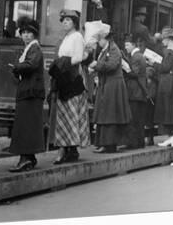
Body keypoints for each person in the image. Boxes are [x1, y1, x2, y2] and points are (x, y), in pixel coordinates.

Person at [48, 9, 90, 164]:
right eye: (63, 20)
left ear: (74, 23)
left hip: (73, 79)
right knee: (64, 115)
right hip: (64, 77)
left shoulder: (77, 36)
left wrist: (62, 64)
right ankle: (69, 150)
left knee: (70, 114)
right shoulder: (66, 37)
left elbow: (78, 57)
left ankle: (66, 149)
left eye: (68, 20)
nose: (65, 22)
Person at [8, 18, 45, 172]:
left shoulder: (34, 48)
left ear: (34, 34)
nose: (26, 35)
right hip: (29, 91)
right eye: (23, 32)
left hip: (31, 92)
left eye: (29, 32)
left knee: (25, 126)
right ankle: (29, 158)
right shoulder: (29, 49)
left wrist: (17, 67)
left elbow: (32, 65)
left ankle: (25, 159)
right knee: (27, 126)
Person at [88, 27, 132, 153]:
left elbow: (111, 66)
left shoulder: (113, 49)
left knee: (109, 114)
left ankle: (109, 144)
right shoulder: (107, 49)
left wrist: (96, 65)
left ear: (105, 38)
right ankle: (104, 143)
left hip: (113, 86)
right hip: (108, 84)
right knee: (105, 114)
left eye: (99, 39)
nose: (98, 42)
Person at [150, 27, 173, 147]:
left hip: (169, 84)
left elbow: (165, 68)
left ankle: (171, 137)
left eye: (164, 39)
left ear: (170, 39)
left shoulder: (169, 51)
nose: (163, 41)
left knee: (168, 110)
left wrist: (152, 63)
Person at [122, 34, 148, 149]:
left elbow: (134, 73)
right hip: (138, 92)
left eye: (127, 45)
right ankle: (139, 142)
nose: (126, 47)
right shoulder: (139, 56)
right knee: (139, 119)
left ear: (133, 45)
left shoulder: (136, 57)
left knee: (133, 118)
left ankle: (133, 143)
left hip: (135, 92)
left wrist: (125, 67)